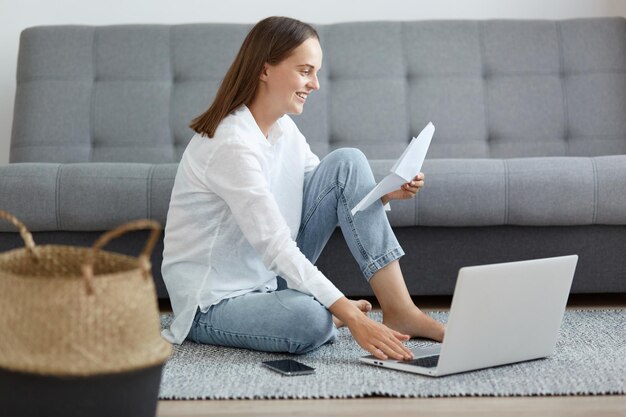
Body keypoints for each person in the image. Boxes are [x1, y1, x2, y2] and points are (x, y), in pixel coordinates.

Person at [161, 16, 445, 361]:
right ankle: (322, 311)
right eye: (305, 71)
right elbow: (277, 246)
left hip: (269, 278)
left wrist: (385, 192)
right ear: (265, 70)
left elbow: (332, 188)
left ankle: (399, 308)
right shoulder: (231, 143)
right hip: (214, 303)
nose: (315, 84)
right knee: (309, 320)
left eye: (316, 73)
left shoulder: (283, 130)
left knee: (348, 161)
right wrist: (352, 315)